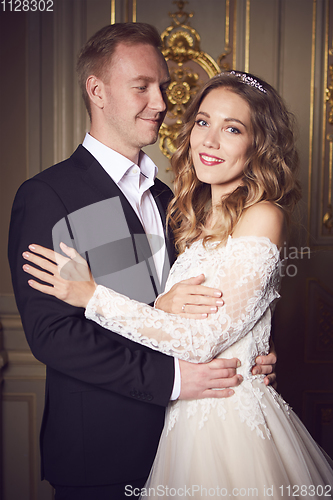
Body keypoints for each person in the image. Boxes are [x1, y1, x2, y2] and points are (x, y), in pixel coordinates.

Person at [22, 71, 333, 499]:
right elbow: (52, 334)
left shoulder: (262, 214)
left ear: (259, 144)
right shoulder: (188, 211)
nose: (210, 140)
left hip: (225, 426)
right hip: (138, 433)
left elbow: (207, 334)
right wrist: (247, 330)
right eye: (203, 122)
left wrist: (93, 296)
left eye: (233, 128)